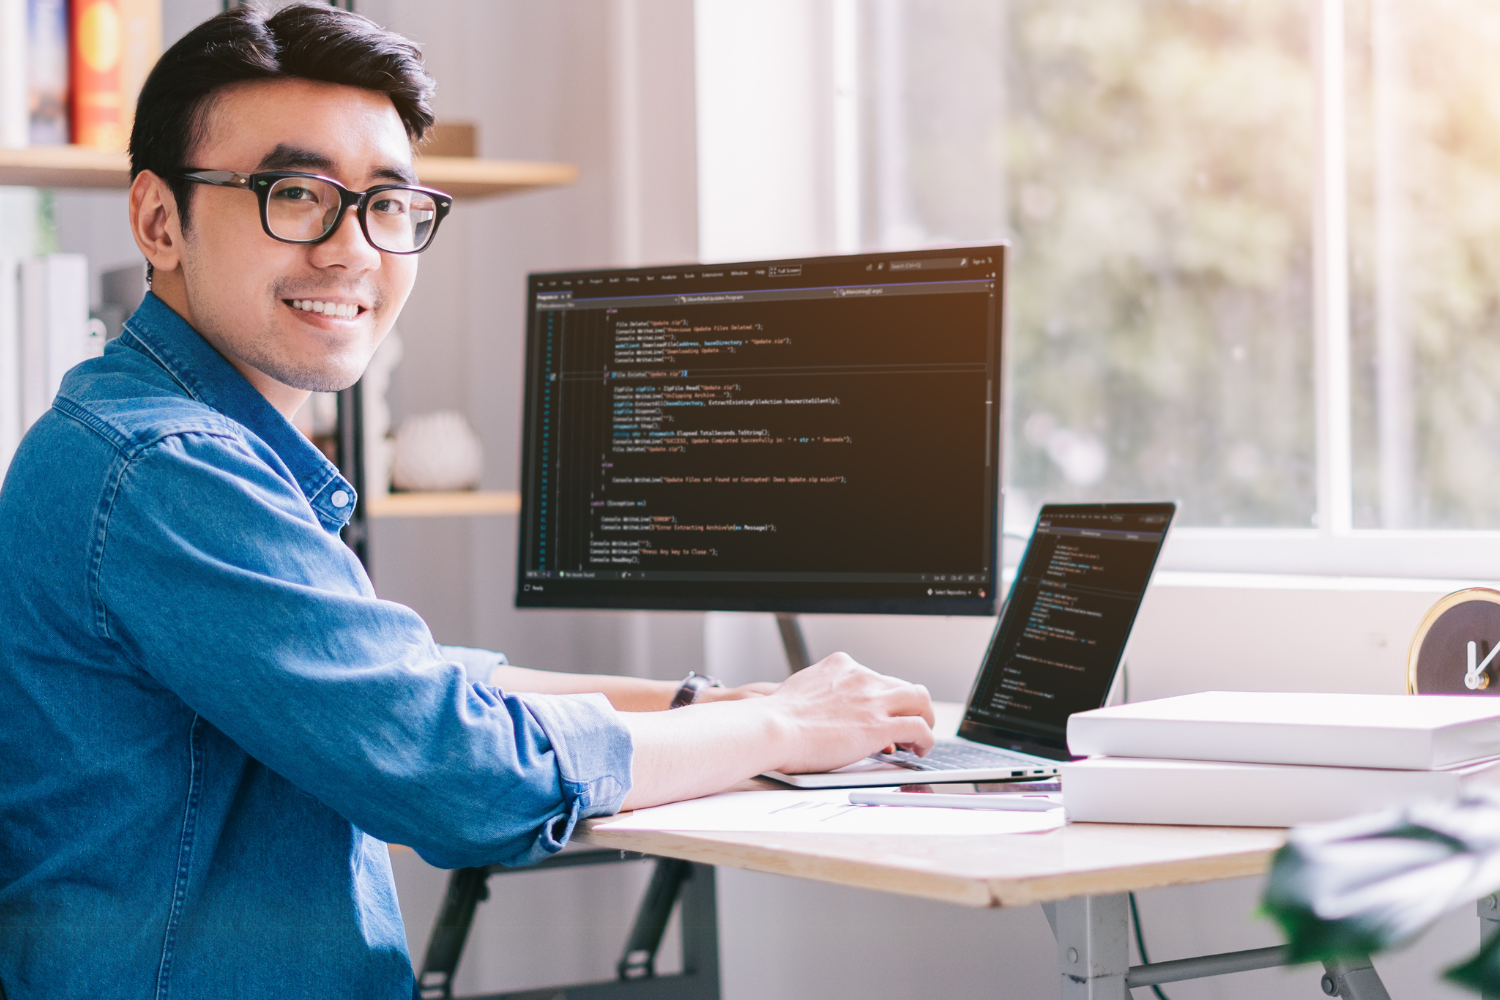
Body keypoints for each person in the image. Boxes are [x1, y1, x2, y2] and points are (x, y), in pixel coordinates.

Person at [0, 6, 934, 998]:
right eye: (297, 193)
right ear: (158, 220)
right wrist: (785, 730)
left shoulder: (145, 434)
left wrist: (707, 706)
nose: (354, 250)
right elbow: (459, 771)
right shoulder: (170, 468)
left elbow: (396, 682)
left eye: (389, 204)